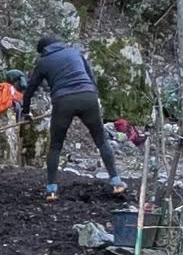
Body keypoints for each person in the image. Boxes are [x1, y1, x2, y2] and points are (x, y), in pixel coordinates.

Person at [22, 34, 127, 200]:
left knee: (55, 146)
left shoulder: (43, 62)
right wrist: (94, 97)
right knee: (101, 141)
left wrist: (26, 112)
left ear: (43, 50)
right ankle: (117, 182)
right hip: (88, 96)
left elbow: (30, 89)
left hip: (63, 101)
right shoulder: (75, 52)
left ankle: (51, 190)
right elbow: (91, 77)